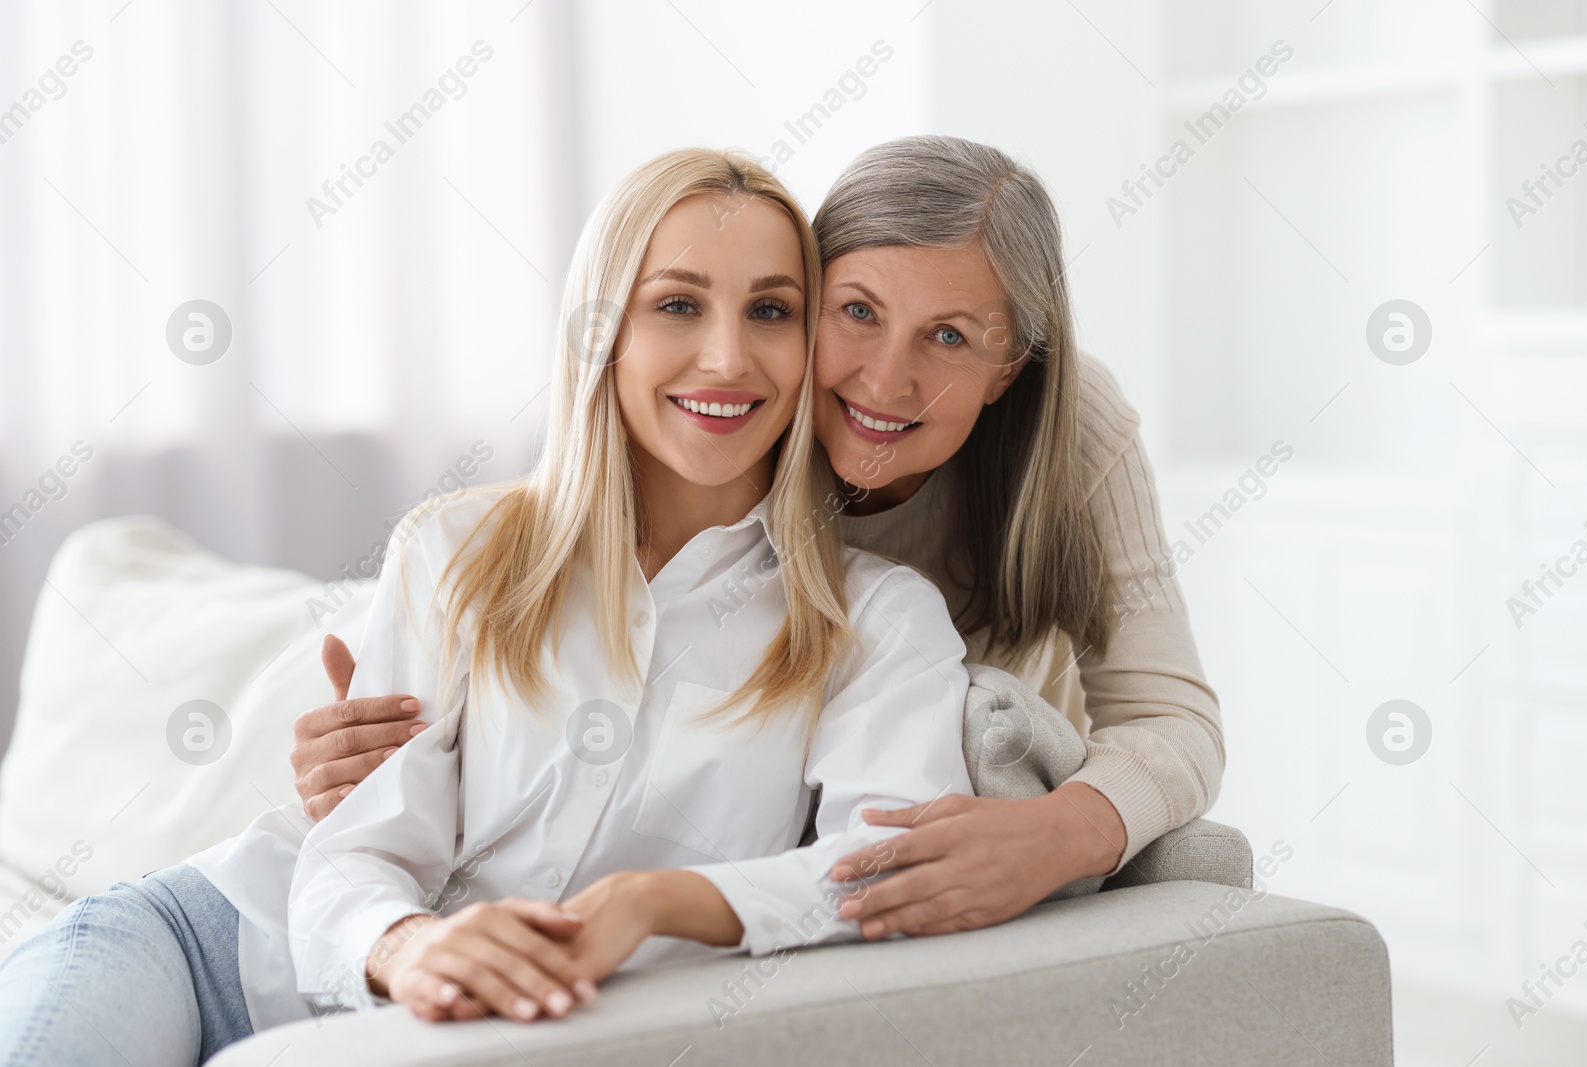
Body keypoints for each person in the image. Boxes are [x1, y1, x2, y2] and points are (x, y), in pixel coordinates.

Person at [0, 148, 973, 1064]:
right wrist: (412, 944)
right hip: (216, 944)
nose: (726, 355)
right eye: (677, 302)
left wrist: (651, 902)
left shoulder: (876, 622)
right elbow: (356, 850)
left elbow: (882, 867)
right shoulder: (456, 549)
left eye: (770, 310)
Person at [297, 135, 1225, 941]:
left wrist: (1060, 831)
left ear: (1009, 367)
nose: (885, 381)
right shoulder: (730, 416)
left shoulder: (1061, 437)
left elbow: (1170, 713)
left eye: (947, 336)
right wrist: (394, 764)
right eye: (856, 311)